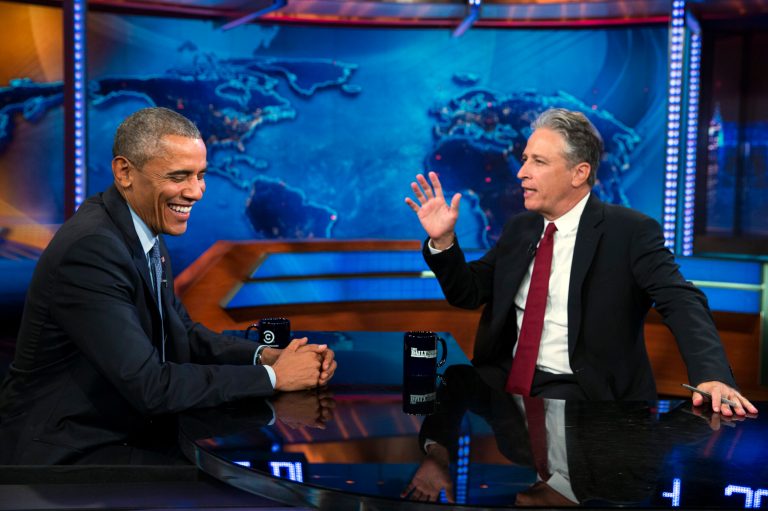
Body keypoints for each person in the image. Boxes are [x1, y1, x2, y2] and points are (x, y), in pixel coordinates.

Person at [0, 107, 336, 464]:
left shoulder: (144, 229)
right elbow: (150, 386)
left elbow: (182, 335)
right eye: (180, 176)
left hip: (122, 429)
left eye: (200, 175)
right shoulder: (91, 249)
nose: (196, 192)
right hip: (63, 453)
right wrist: (273, 377)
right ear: (124, 172)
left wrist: (264, 356)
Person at [405, 107, 756, 415]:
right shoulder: (520, 228)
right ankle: (434, 463)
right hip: (504, 379)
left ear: (579, 173)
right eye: (525, 158)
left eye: (538, 162)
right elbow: (467, 293)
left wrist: (712, 376)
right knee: (425, 381)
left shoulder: (629, 231)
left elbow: (681, 301)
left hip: (580, 390)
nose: (521, 172)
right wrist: (443, 241)